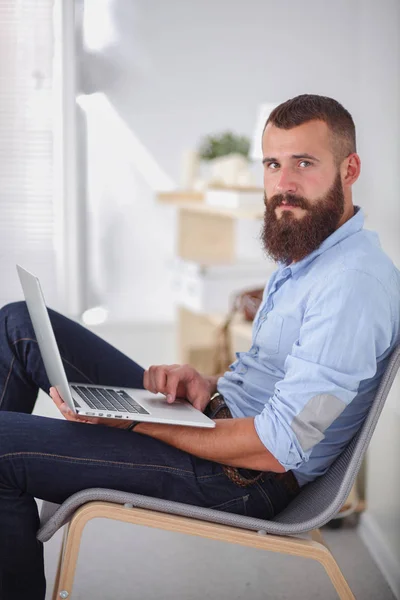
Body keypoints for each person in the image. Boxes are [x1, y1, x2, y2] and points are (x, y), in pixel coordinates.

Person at [0, 94, 399, 599]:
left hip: (240, 477)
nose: (283, 185)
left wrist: (136, 419)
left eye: (305, 163)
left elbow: (276, 448)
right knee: (19, 325)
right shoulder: (311, 254)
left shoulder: (352, 284)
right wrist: (204, 385)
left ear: (350, 168)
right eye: (273, 164)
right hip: (219, 421)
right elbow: (269, 376)